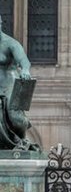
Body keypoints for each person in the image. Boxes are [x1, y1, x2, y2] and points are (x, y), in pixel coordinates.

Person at [0, 13, 38, 151]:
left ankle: (22, 139)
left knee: (14, 116)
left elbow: (24, 62)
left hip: (9, 83)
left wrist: (25, 71)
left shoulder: (10, 43)